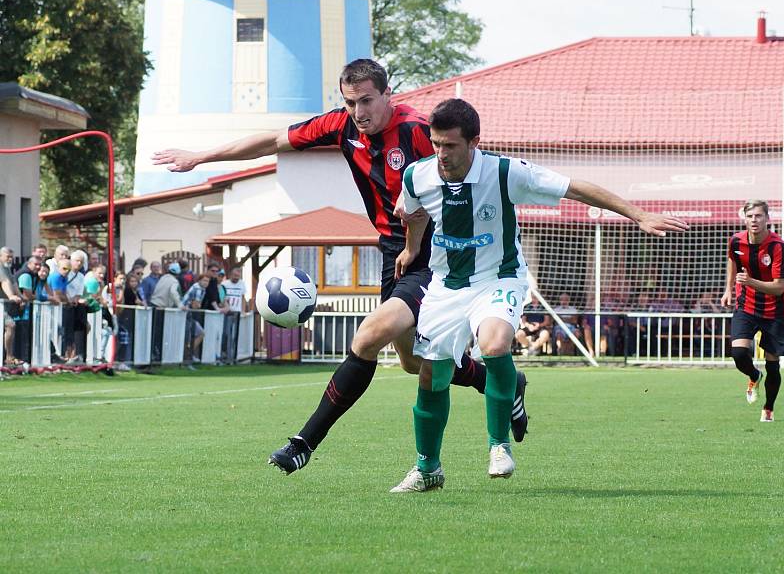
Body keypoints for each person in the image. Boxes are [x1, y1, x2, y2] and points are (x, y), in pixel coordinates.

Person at [152, 59, 528, 475]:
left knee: (368, 337)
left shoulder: (418, 131)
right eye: (351, 102)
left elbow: (473, 166)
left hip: (437, 257)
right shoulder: (340, 126)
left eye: (367, 100)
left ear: (388, 95)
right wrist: (201, 157)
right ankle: (504, 383)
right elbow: (275, 140)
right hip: (395, 252)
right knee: (411, 362)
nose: (359, 112)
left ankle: (303, 443)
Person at [389, 98, 688, 492]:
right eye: (436, 143)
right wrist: (412, 249)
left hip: (499, 278)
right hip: (446, 285)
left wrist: (638, 215)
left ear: (474, 142)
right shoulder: (417, 175)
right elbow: (413, 211)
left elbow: (575, 188)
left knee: (494, 345)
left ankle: (498, 447)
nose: (441, 153)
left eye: (450, 145)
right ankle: (428, 470)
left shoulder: (506, 171)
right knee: (431, 374)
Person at [721, 200, 784, 423]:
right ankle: (753, 375)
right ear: (745, 218)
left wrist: (749, 281)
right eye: (750, 216)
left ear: (767, 218)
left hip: (775, 310)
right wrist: (728, 290)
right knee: (739, 354)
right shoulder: (736, 241)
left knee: (773, 365)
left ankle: (768, 408)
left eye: (759, 216)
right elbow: (733, 260)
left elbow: (779, 287)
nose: (754, 220)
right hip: (746, 305)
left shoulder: (778, 247)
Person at [0, 247, 24, 366]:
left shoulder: (7, 269)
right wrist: (11, 296)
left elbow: (13, 283)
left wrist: (21, 298)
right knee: (10, 325)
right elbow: (4, 282)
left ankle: (8, 356)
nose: (10, 259)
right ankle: (8, 356)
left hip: (3, 307)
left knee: (10, 326)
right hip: (1, 305)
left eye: (11, 257)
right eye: (7, 256)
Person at [182, 273, 210, 360]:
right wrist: (197, 304)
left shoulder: (202, 289)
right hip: (185, 314)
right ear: (199, 280)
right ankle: (187, 356)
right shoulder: (198, 288)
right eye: (204, 280)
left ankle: (189, 354)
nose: (206, 283)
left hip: (188, 314)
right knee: (194, 334)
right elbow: (196, 305)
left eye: (207, 281)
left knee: (200, 333)